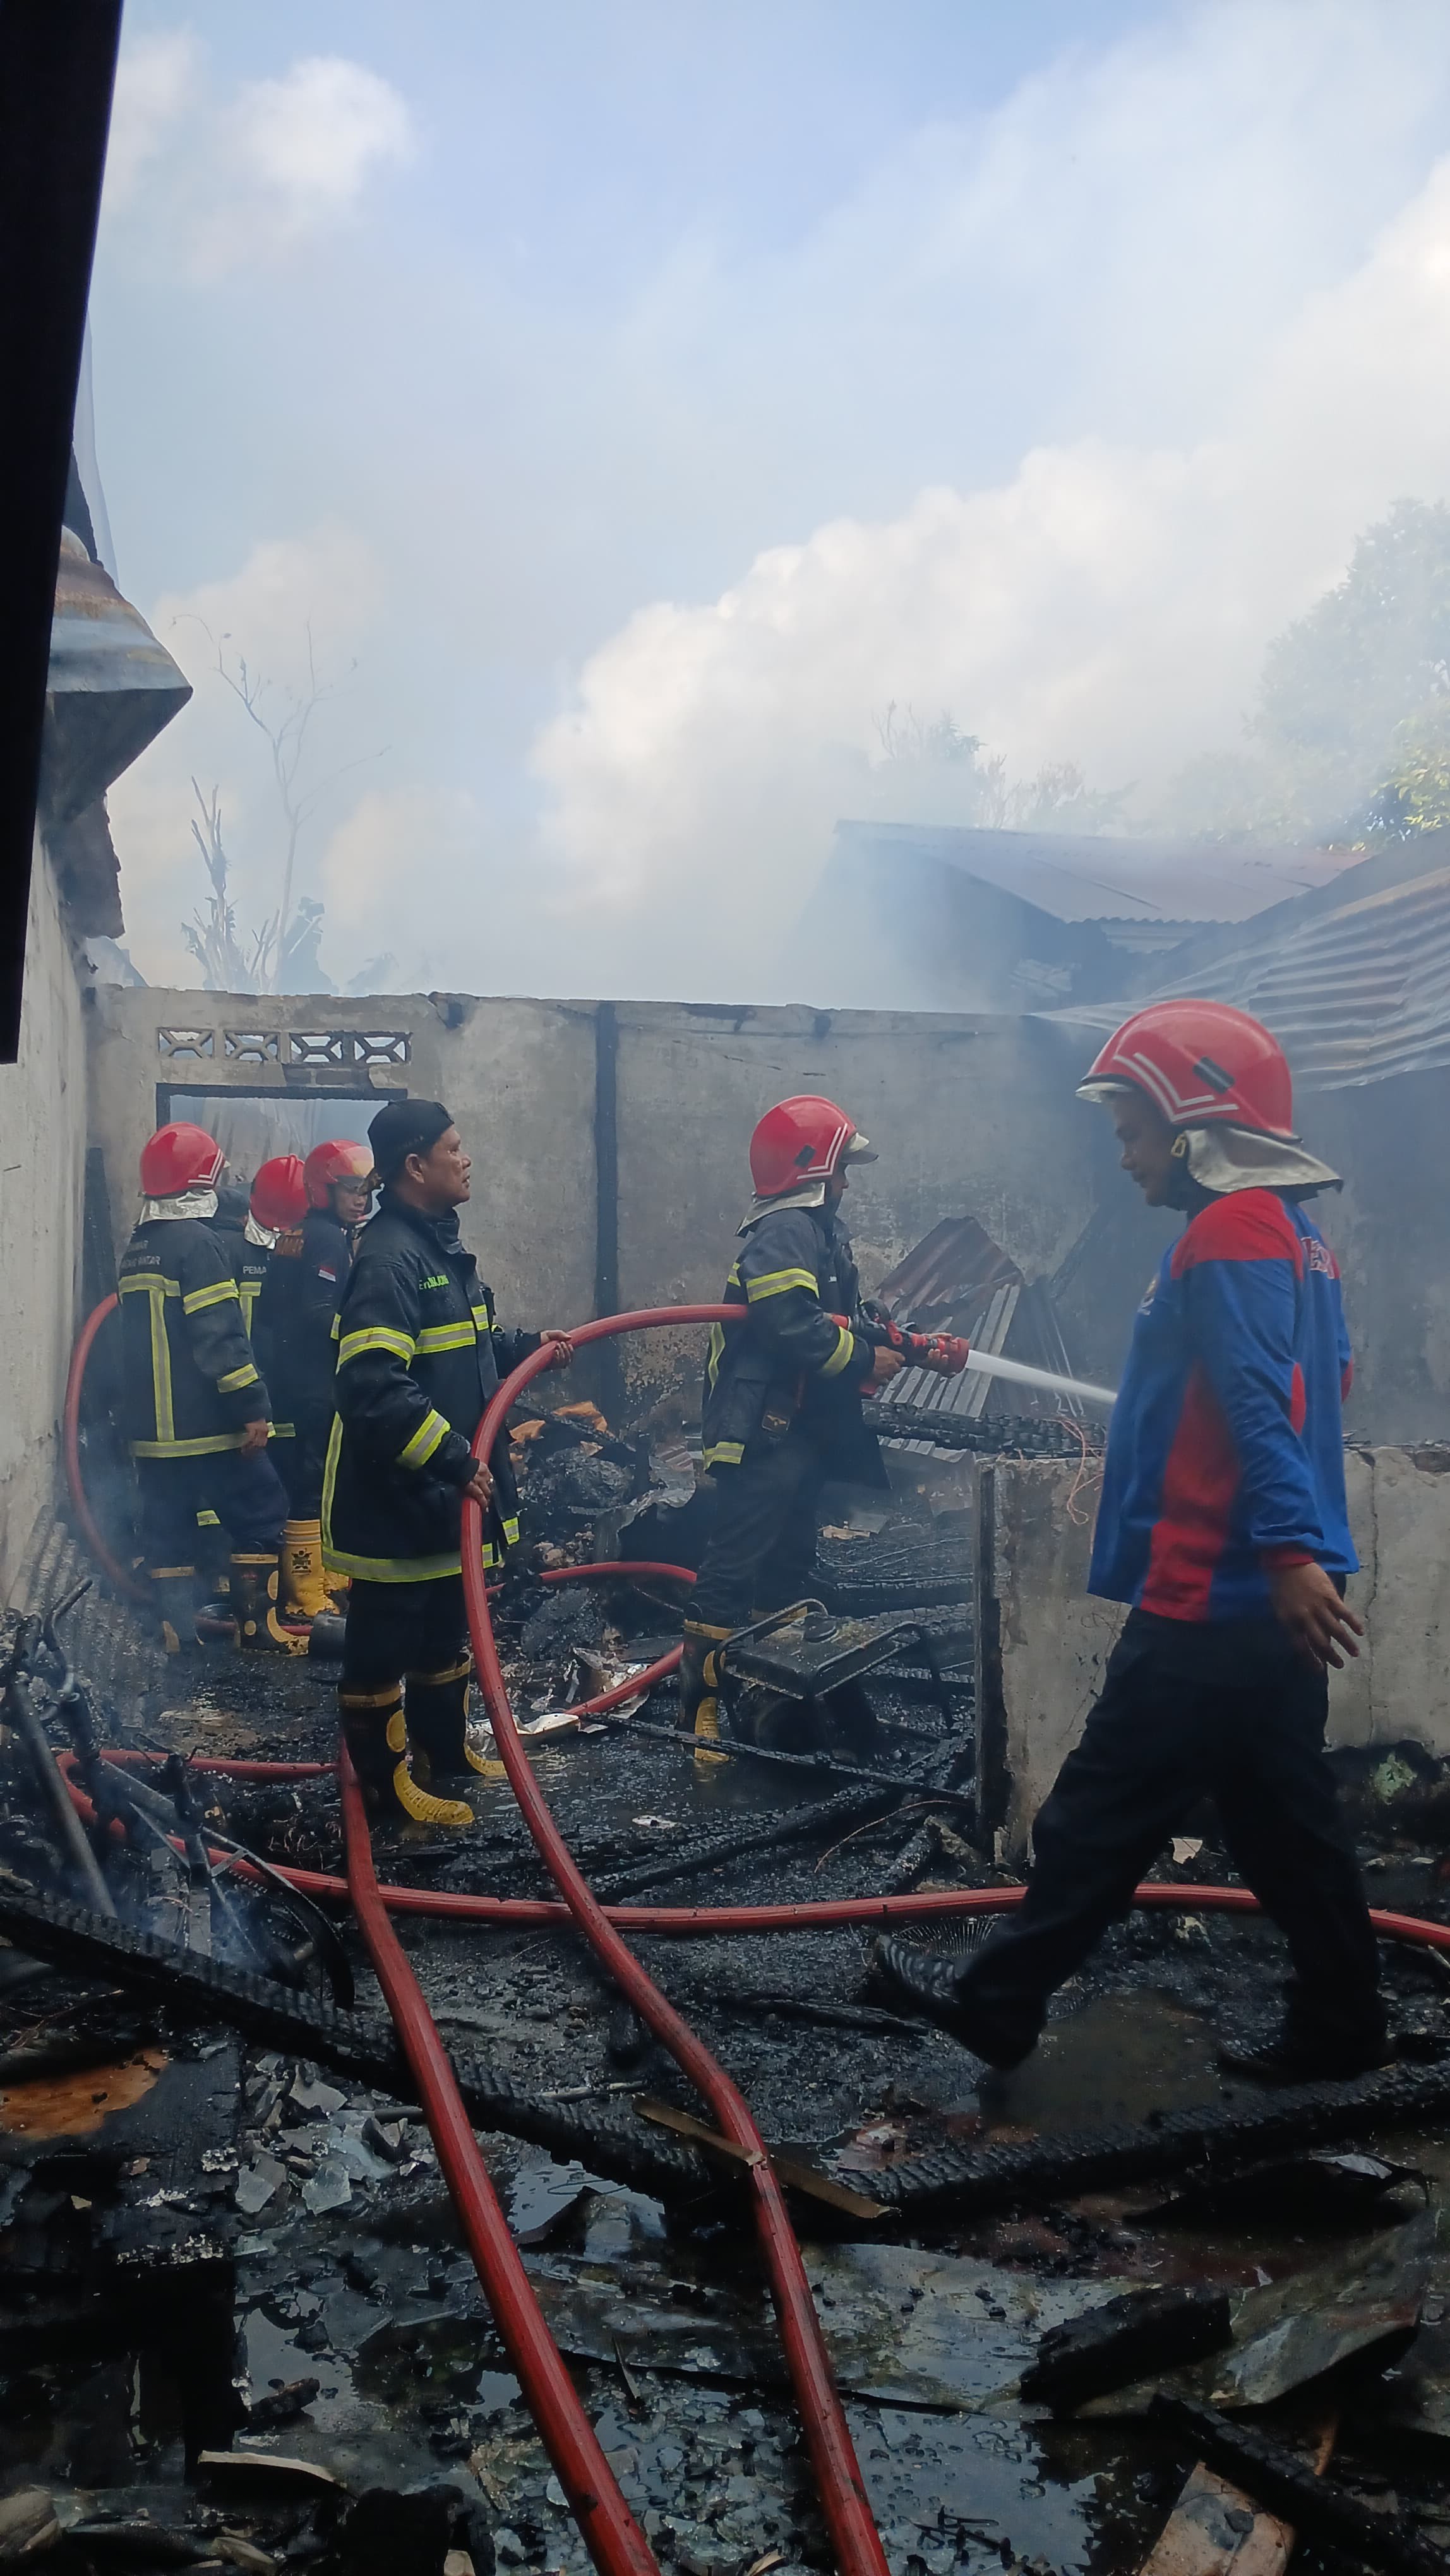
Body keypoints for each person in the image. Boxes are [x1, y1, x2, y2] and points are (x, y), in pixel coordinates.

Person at [875, 999, 1388, 2085]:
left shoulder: (1230, 1232)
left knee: (1099, 1812)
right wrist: (1299, 1550)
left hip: (1219, 1591)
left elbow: (1260, 1396)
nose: (1122, 1156)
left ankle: (999, 2003)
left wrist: (1285, 1547)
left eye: (1131, 1130)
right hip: (1260, 1591)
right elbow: (1325, 1384)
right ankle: (1344, 2023)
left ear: (1197, 1121)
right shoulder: (1298, 1238)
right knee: (1285, 1825)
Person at [323, 1099, 572, 1827]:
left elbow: (472, 1347)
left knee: (442, 1632)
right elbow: (371, 1389)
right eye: (454, 1148)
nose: (466, 1160)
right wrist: (457, 1459)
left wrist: (528, 1350)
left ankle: (444, 1754)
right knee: (383, 1646)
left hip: (441, 1492)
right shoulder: (391, 1258)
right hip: (396, 1497)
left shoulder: (438, 1249)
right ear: (415, 1165)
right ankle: (384, 1793)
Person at [683, 1094, 929, 1763]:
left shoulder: (820, 1234)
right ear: (809, 1170)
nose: (847, 1184)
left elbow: (834, 1316)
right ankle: (698, 1714)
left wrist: (885, 1333)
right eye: (840, 1170)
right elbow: (789, 1320)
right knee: (731, 1573)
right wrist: (863, 1357)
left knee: (786, 1567)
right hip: (762, 1434)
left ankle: (772, 1697)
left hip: (795, 1434)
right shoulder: (787, 1229)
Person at [117, 1121, 298, 1657]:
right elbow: (219, 1336)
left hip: (151, 1435)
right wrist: (252, 1407)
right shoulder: (199, 1246)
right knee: (264, 1511)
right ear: (201, 1182)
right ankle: (257, 1631)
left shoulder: (138, 1248)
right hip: (207, 1427)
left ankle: (178, 1634)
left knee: (167, 1528)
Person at [258, 1139, 373, 1625]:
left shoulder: (302, 1232)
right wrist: (362, 1335)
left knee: (309, 1480)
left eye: (366, 1190)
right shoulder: (327, 1239)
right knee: (313, 1483)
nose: (361, 1200)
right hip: (313, 1383)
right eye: (350, 1189)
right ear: (325, 1189)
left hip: (289, 1380)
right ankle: (306, 1595)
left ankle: (323, 1578)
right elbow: (317, 1313)